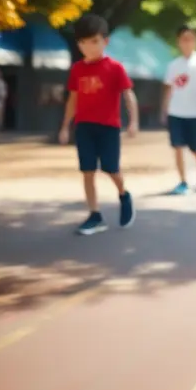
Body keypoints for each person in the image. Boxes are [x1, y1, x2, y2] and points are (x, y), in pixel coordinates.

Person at [58, 14, 138, 235]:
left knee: (111, 168)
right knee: (87, 171)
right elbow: (73, 99)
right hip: (84, 126)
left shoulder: (115, 68)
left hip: (109, 127)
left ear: (105, 41)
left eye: (94, 41)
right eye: (83, 42)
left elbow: (128, 95)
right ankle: (95, 215)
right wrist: (65, 126)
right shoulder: (77, 70)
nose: (88, 47)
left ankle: (124, 194)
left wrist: (133, 122)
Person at [161, 24, 196, 195]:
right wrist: (164, 109)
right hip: (176, 112)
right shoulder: (173, 65)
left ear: (195, 41)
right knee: (177, 146)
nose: (187, 43)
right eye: (184, 39)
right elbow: (169, 88)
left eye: (190, 39)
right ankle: (183, 181)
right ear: (178, 41)